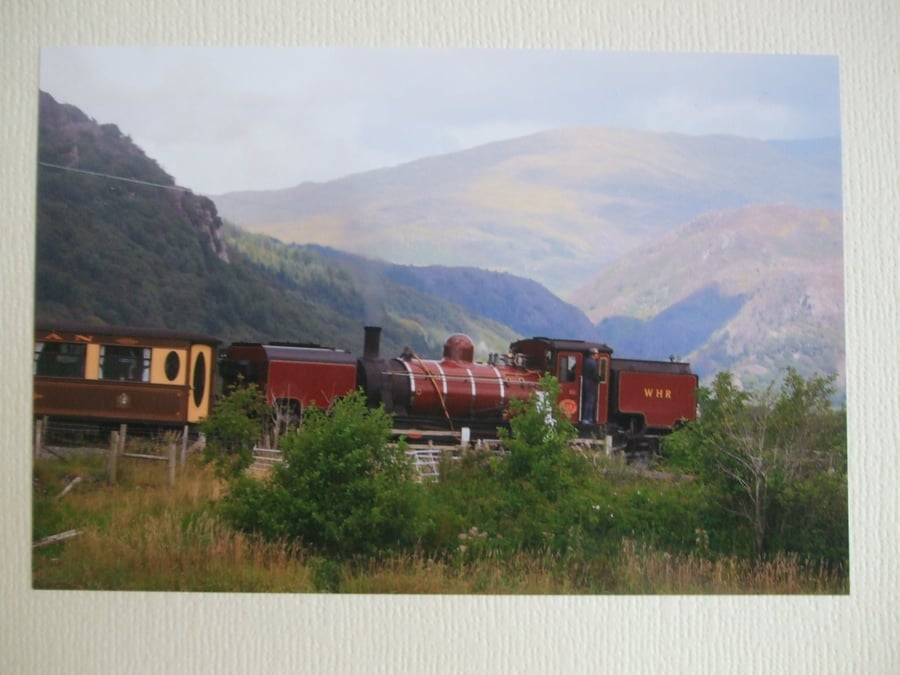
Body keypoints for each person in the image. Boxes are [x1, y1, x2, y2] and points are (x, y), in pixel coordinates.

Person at [581, 347, 601, 424]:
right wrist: (601, 379)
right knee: (590, 401)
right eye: (597, 354)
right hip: (591, 384)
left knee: (587, 401)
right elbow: (595, 375)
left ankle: (585, 418)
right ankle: (587, 418)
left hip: (585, 382)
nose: (597, 355)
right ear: (594, 354)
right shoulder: (593, 363)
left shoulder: (586, 361)